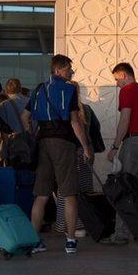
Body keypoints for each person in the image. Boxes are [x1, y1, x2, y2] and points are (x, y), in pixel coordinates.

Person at [21, 54, 92, 254]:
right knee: (69, 193)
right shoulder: (68, 89)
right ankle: (70, 241)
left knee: (41, 194)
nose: (72, 72)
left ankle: (35, 241)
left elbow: (24, 116)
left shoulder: (39, 89)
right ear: (59, 70)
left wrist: (30, 134)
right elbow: (74, 121)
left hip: (43, 142)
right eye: (69, 69)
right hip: (64, 143)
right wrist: (85, 146)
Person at [103, 62, 138, 245]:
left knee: (124, 187)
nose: (117, 84)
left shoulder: (127, 91)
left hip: (133, 142)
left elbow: (125, 119)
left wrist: (115, 146)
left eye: (117, 79)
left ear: (124, 75)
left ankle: (121, 235)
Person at [54, 81, 104, 237]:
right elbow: (96, 130)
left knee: (66, 191)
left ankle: (66, 226)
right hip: (86, 153)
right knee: (84, 191)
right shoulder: (87, 109)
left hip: (70, 153)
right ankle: (85, 225)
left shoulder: (62, 109)